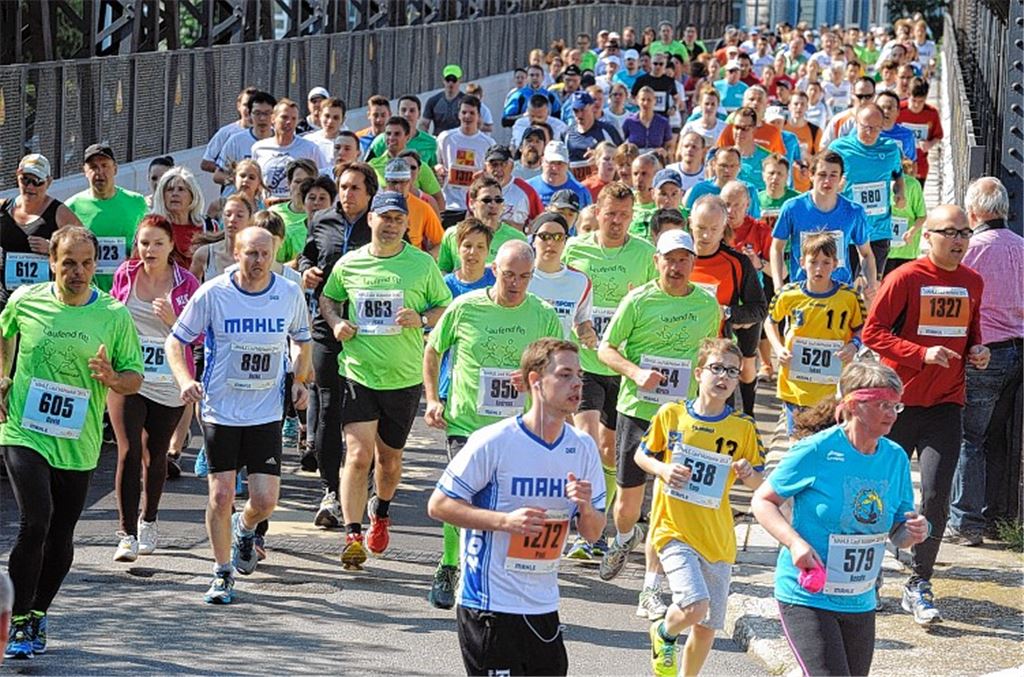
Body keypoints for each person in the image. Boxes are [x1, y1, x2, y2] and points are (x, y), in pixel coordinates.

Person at [1, 226, 143, 659]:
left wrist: (112, 378)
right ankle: (19, 618)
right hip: (24, 430)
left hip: (77, 440)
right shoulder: (26, 300)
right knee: (36, 520)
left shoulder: (113, 315)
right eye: (68, 263)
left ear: (95, 266)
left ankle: (39, 612)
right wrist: (2, 376)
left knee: (61, 532)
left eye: (85, 264)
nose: (77, 272)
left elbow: (134, 378)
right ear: (53, 264)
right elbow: (4, 333)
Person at [427, 338, 605, 676]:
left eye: (579, 376)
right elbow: (439, 505)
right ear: (536, 381)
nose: (577, 384)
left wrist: (585, 507)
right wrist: (505, 521)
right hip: (489, 606)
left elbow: (594, 531)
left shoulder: (582, 447)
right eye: (565, 375)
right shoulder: (494, 440)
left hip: (543, 606)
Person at [751, 361, 929, 676]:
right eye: (882, 404)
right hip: (807, 594)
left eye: (895, 405)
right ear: (851, 406)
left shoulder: (895, 458)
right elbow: (763, 501)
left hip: (860, 599)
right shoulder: (816, 451)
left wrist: (915, 531)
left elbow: (897, 533)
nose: (891, 413)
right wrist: (794, 544)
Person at [166, 227, 311, 604]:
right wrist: (185, 379)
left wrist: (299, 379)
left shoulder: (288, 293)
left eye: (265, 254)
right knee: (221, 493)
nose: (258, 261)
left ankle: (244, 528)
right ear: (235, 252)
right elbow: (176, 339)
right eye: (250, 253)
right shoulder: (214, 294)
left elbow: (301, 339)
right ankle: (221, 573)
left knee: (265, 501)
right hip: (220, 409)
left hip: (264, 409)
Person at [862, 204, 990, 625]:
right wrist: (919, 354)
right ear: (928, 236)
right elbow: (873, 333)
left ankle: (919, 581)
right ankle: (868, 576)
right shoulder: (905, 277)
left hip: (945, 405)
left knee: (935, 496)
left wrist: (978, 351)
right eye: (950, 232)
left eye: (965, 233)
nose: (959, 240)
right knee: (879, 492)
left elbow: (970, 335)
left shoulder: (973, 281)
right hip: (896, 406)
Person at [423, 240, 562, 605]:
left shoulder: (543, 313)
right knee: (460, 495)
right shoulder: (466, 307)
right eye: (508, 275)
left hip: (519, 424)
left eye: (524, 277)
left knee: (507, 501)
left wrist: (532, 377)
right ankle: (450, 564)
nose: (515, 283)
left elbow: (558, 365)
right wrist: (434, 399)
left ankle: (502, 573)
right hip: (467, 421)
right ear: (494, 271)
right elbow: (433, 349)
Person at [319, 191, 452, 569]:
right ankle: (352, 534)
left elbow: (444, 306)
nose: (391, 225)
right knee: (358, 455)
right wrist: (337, 323)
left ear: (406, 224)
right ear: (371, 221)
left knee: (390, 461)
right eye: (385, 218)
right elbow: (328, 298)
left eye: (398, 219)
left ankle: (382, 510)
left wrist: (423, 319)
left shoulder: (421, 265)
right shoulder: (351, 264)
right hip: (359, 372)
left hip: (403, 376)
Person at [595, 228, 721, 622]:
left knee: (669, 507)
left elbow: (712, 354)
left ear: (693, 263)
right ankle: (623, 538)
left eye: (684, 259)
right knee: (628, 507)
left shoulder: (706, 304)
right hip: (639, 412)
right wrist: (635, 372)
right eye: (670, 259)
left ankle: (650, 589)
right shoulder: (637, 300)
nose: (677, 266)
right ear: (657, 262)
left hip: (685, 418)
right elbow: (605, 348)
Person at [637, 338, 766, 676]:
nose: (723, 377)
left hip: (717, 537)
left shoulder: (743, 427)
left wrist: (749, 474)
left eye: (732, 372)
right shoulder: (672, 414)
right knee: (695, 606)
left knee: (707, 625)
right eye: (716, 368)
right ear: (699, 372)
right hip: (674, 530)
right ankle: (664, 632)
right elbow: (642, 455)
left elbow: (761, 483)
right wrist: (663, 469)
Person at [561, 182, 657, 559]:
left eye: (624, 215)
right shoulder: (574, 249)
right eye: (610, 214)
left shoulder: (645, 254)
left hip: (623, 365)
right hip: (583, 363)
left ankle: (598, 522)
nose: (616, 221)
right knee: (586, 441)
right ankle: (591, 529)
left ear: (632, 217)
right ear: (596, 212)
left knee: (608, 449)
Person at [108, 215, 200, 561]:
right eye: (144, 242)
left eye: (158, 243)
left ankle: (149, 520)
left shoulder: (186, 283)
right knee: (129, 450)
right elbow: (113, 318)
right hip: (129, 377)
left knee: (155, 453)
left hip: (167, 380)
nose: (150, 250)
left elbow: (199, 333)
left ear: (171, 245)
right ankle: (126, 534)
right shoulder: (125, 274)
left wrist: (173, 322)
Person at [946, 178, 1024, 545]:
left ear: (974, 212)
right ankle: (997, 516)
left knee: (968, 437)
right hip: (1017, 349)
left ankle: (966, 522)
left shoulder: (973, 249)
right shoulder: (1021, 247)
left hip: (985, 352)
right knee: (998, 437)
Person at [297, 162, 375, 526]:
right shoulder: (322, 220)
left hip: (368, 330)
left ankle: (363, 477)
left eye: (355, 188)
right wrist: (306, 271)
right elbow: (307, 254)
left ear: (370, 192)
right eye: (343, 187)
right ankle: (331, 490)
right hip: (325, 324)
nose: (347, 194)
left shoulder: (380, 224)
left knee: (362, 408)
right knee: (328, 405)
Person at [765, 232, 866, 435]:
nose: (819, 268)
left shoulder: (849, 297)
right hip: (796, 385)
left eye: (826, 262)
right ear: (802, 262)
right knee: (798, 442)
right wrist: (777, 348)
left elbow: (862, 327)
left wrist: (853, 345)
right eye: (813, 262)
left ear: (836, 263)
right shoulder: (788, 295)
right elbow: (770, 322)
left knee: (829, 444)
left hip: (833, 387)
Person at [691, 189, 768, 417]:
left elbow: (759, 308)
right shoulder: (676, 258)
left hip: (716, 360)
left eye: (714, 229)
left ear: (724, 227)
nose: (706, 236)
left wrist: (727, 313)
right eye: (701, 228)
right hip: (679, 351)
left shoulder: (737, 263)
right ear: (690, 222)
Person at [770, 151, 876, 296]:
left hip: (841, 292)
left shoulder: (854, 211)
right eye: (822, 174)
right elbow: (777, 248)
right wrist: (778, 285)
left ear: (840, 178)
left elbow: (866, 253)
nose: (827, 181)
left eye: (833, 175)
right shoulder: (792, 207)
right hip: (801, 292)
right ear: (811, 175)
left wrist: (869, 281)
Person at [828, 104, 905, 276]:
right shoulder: (838, 148)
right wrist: (835, 188)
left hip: (878, 230)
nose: (871, 133)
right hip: (847, 230)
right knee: (845, 287)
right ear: (856, 122)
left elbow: (898, 174)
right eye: (866, 127)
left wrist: (900, 192)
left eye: (876, 128)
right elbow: (822, 179)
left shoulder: (890, 148)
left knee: (873, 288)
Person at [1, 154, 81, 309]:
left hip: (43, 302)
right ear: (17, 177)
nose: (30, 187)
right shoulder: (4, 208)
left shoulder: (59, 212)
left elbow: (87, 245)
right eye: (25, 179)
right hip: (6, 300)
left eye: (37, 181)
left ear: (49, 182)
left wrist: (53, 248)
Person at [64, 144, 147, 292]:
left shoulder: (137, 202)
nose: (99, 172)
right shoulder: (71, 207)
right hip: (88, 292)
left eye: (105, 166)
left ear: (115, 168)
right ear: (85, 171)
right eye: (93, 167)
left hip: (130, 288)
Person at [437, 176, 528, 274]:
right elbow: (443, 271)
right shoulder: (453, 234)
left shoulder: (517, 239)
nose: (493, 205)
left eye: (498, 200)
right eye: (486, 200)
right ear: (472, 203)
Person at [527, 212, 596, 341]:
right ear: (533, 240)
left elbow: (582, 321)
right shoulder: (520, 276)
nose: (551, 243)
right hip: (522, 355)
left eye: (558, 237)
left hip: (558, 357)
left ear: (565, 241)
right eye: (544, 236)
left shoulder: (580, 281)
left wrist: (586, 332)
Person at [250, 98, 330, 203]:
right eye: (284, 117)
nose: (289, 122)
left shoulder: (310, 148)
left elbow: (323, 178)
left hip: (298, 209)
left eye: (293, 119)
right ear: (273, 118)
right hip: (268, 208)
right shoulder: (259, 148)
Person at [435, 95, 495, 228]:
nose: (467, 116)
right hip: (449, 205)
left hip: (474, 206)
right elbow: (437, 164)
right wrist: (438, 169)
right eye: (464, 112)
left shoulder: (488, 143)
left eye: (472, 113)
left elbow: (492, 175)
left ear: (479, 116)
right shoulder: (445, 138)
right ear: (458, 115)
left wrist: (484, 175)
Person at [150, 167, 213, 268]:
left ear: (192, 196)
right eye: (170, 190)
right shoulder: (152, 226)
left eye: (181, 189)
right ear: (162, 196)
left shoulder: (209, 226)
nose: (175, 194)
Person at [213, 91, 277, 190]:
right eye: (257, 113)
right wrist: (237, 181)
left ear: (274, 116)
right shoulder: (236, 141)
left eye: (267, 113)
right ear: (250, 114)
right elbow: (217, 175)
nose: (262, 118)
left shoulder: (281, 141)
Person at [383, 158, 444, 255]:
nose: (398, 187)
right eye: (393, 182)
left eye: (403, 182)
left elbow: (441, 243)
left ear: (409, 182)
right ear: (386, 181)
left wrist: (426, 260)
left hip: (412, 264)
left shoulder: (422, 208)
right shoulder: (375, 205)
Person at [367, 95, 438, 168]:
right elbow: (366, 169)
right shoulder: (381, 140)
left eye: (412, 110)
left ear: (419, 114)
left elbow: (434, 170)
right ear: (398, 113)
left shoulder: (430, 142)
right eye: (403, 110)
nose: (407, 114)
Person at [200, 86, 257, 174]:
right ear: (239, 106)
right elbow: (206, 163)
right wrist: (232, 172)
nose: (249, 109)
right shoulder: (226, 132)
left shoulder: (269, 134)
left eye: (253, 105)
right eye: (246, 105)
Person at [897, 78, 943, 185]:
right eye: (913, 100)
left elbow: (938, 135)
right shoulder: (898, 110)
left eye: (921, 101)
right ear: (908, 94)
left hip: (920, 166)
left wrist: (929, 144)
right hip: (898, 164)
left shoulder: (931, 113)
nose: (917, 105)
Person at [527, 141, 593, 209]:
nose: (555, 168)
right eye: (551, 162)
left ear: (567, 164)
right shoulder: (528, 188)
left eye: (559, 163)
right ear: (542, 161)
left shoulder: (581, 191)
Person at [621, 87, 673, 153]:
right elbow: (621, 144)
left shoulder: (663, 122)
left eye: (649, 100)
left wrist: (665, 152)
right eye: (643, 99)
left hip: (656, 160)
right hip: (635, 160)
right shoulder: (629, 121)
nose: (645, 103)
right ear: (637, 100)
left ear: (655, 101)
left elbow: (669, 146)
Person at [422, 65, 467, 135]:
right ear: (443, 80)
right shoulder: (433, 101)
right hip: (439, 141)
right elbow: (424, 124)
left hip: (460, 142)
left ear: (460, 80)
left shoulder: (467, 101)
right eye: (448, 80)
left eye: (454, 80)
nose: (450, 83)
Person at [302, 96, 347, 164]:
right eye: (327, 116)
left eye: (336, 118)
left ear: (343, 120)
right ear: (320, 116)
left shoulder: (350, 143)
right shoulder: (308, 141)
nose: (330, 121)